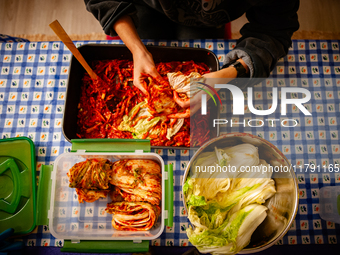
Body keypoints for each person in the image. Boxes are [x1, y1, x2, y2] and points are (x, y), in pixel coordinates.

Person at [84, 0, 299, 108]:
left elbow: (273, 29)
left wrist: (226, 76)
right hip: (142, 7)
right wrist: (137, 49)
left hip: (208, 17)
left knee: (193, 37)